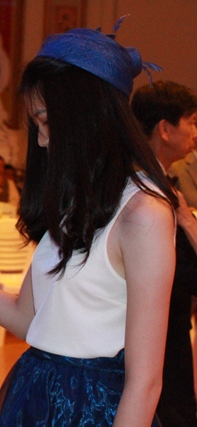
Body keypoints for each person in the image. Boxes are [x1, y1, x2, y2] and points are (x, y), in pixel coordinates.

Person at [0, 23, 176, 425]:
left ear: (88, 114)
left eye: (46, 121)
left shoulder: (143, 213)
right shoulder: (77, 202)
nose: (41, 140)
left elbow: (144, 382)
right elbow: (25, 317)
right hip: (37, 389)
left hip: (92, 406)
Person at [131, 80, 197, 426]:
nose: (196, 133)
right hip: (159, 337)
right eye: (192, 122)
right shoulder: (148, 194)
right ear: (165, 129)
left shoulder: (159, 185)